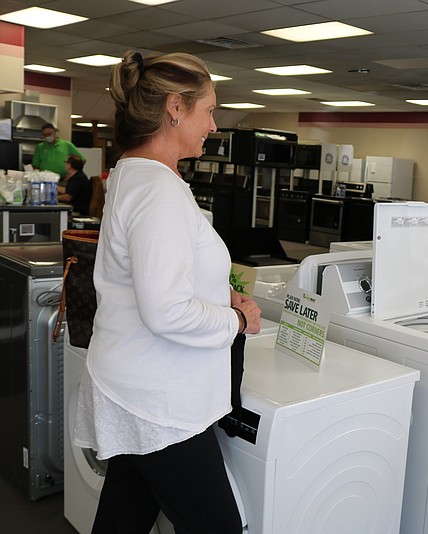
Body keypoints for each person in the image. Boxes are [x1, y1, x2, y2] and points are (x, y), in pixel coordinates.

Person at [72, 50, 262, 533]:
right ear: (175, 108)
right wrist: (235, 321)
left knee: (123, 517)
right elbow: (168, 311)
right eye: (209, 110)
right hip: (157, 400)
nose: (213, 124)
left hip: (135, 382)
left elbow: (157, 280)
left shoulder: (134, 174)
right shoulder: (158, 189)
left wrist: (223, 296)